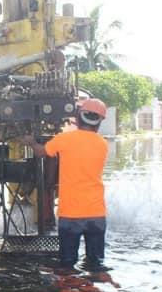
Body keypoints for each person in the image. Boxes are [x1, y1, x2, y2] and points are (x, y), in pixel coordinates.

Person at [22, 98, 109, 269]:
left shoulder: (64, 139)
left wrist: (31, 142)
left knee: (68, 263)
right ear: (99, 122)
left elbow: (42, 152)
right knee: (96, 263)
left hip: (71, 214)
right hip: (96, 214)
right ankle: (93, 291)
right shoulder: (103, 144)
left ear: (78, 117)